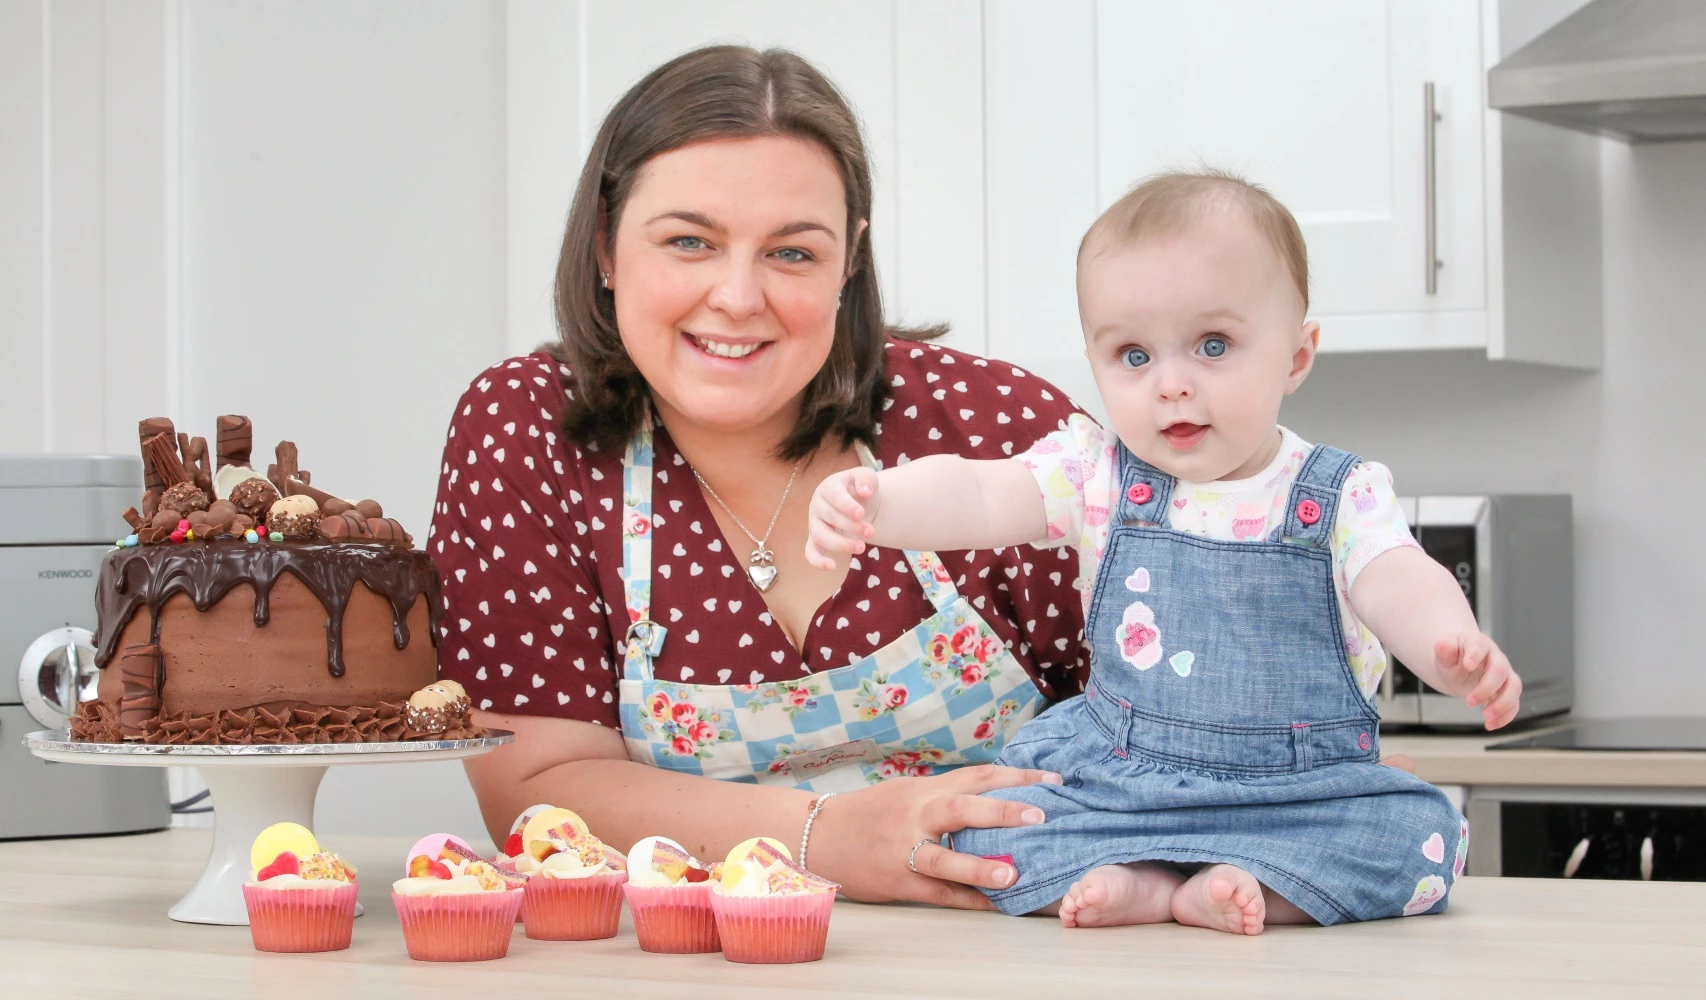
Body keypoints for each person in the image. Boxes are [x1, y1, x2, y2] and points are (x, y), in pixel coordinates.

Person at [430, 44, 1090, 909]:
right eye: (690, 241)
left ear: (849, 258)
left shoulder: (997, 426)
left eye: (791, 254)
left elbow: (1181, 720)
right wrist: (832, 839)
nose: (738, 297)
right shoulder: (527, 436)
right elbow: (537, 788)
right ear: (606, 245)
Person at [804, 169, 1522, 932]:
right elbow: (982, 493)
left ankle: (1245, 883)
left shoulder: (1340, 493)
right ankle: (1144, 881)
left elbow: (1398, 577)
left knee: (1424, 840)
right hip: (1121, 783)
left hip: (1298, 795)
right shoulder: (1095, 474)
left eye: (1213, 346)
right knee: (989, 829)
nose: (1172, 385)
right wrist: (878, 501)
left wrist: (1451, 646)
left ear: (1297, 355)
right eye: (1134, 357)